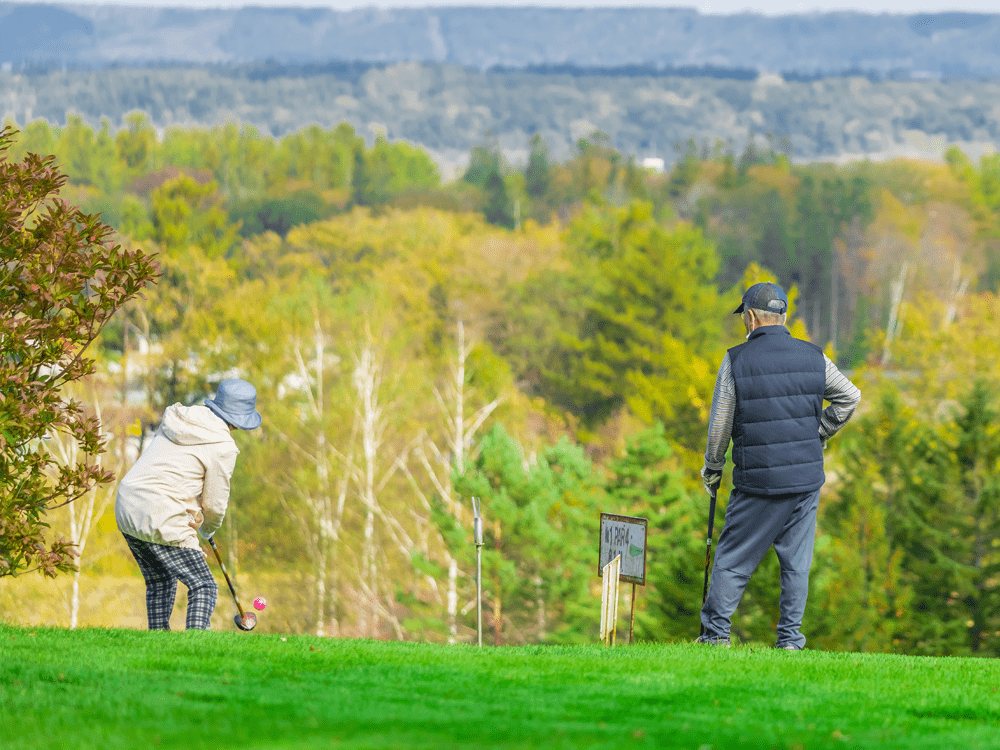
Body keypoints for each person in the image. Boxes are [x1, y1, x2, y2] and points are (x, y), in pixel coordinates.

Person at [697, 282, 861, 649]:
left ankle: (715, 636)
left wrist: (713, 468)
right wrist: (818, 432)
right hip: (805, 479)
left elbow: (720, 425)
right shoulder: (814, 357)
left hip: (758, 481)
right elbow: (851, 397)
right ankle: (789, 640)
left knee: (732, 559)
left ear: (751, 318)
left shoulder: (735, 360)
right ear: (782, 317)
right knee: (797, 564)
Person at [115, 379, 262, 630]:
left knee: (160, 582)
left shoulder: (181, 418)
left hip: (127, 505)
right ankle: (195, 645)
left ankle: (158, 643)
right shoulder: (223, 446)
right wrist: (207, 530)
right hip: (160, 513)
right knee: (204, 585)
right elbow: (214, 504)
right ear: (240, 420)